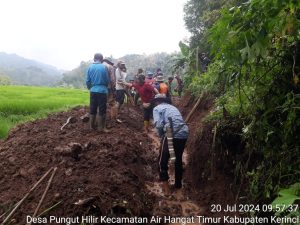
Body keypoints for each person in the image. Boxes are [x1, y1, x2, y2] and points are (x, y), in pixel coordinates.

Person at [153, 93, 189, 190]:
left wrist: (161, 136)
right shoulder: (173, 108)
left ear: (157, 102)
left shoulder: (157, 108)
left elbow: (159, 125)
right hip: (184, 132)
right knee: (178, 160)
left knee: (162, 161)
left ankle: (166, 188)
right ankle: (178, 186)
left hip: (170, 133)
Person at [86, 53, 110, 132]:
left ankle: (91, 127)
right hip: (102, 91)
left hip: (93, 90)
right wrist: (105, 86)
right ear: (101, 59)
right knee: (102, 109)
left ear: (94, 59)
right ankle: (101, 128)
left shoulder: (90, 67)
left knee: (93, 108)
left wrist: (91, 88)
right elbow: (107, 80)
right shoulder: (104, 67)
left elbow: (88, 81)